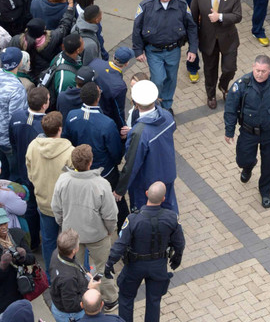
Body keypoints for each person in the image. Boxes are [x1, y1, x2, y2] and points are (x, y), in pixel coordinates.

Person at [103, 181, 184, 322]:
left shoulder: (133, 219)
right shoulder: (171, 217)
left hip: (135, 266)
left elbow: (120, 244)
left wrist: (110, 263)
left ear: (146, 194)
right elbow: (179, 242)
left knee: (126, 298)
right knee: (154, 301)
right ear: (163, 199)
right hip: (158, 266)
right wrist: (177, 257)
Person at [50, 144, 118, 309]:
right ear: (90, 162)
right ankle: (110, 299)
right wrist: (110, 230)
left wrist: (64, 225)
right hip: (98, 235)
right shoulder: (101, 184)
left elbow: (56, 208)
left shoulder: (63, 180)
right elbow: (110, 215)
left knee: (74, 269)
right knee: (102, 268)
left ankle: (84, 299)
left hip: (72, 236)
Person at [223, 55, 270, 208]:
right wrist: (229, 131)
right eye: (257, 70)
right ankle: (248, 166)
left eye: (263, 71)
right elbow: (230, 109)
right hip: (248, 132)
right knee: (242, 159)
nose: (260, 74)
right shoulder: (242, 85)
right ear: (253, 67)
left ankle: (265, 191)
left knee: (269, 164)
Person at [131, 0, 197, 112]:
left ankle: (166, 106)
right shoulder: (145, 6)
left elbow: (191, 27)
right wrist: (138, 50)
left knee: (171, 79)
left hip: (173, 50)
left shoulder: (182, 5)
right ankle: (155, 104)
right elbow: (137, 29)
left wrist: (193, 49)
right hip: (153, 51)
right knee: (158, 79)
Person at [113, 80, 178, 214]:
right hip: (168, 175)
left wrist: (120, 189)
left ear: (135, 103)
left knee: (145, 216)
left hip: (147, 184)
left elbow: (132, 163)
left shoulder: (140, 132)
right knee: (170, 212)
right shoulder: (167, 116)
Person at [25, 110, 73, 273]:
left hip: (44, 202)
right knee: (71, 241)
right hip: (65, 207)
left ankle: (51, 276)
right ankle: (73, 274)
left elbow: (30, 174)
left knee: (48, 241)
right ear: (60, 129)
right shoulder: (70, 151)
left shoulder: (32, 146)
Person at [190, 0, 242, 109]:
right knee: (210, 70)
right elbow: (192, 20)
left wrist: (220, 17)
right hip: (208, 40)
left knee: (230, 68)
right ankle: (211, 95)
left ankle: (223, 86)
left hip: (228, 40)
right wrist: (193, 42)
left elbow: (238, 16)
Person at [0, 206, 35, 322]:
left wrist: (23, 256)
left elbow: (32, 259)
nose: (3, 227)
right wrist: (2, 265)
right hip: (0, 296)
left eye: (5, 223)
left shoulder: (17, 235)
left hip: (18, 289)